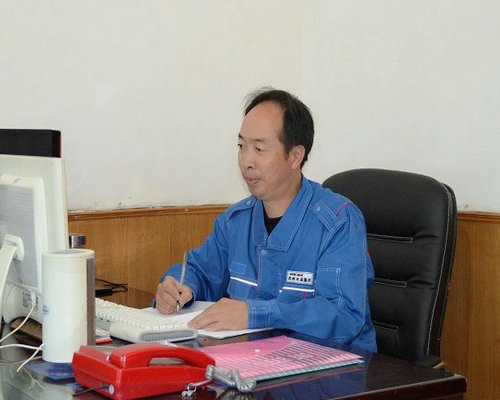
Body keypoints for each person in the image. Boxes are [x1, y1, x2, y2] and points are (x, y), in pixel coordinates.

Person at [155, 88, 377, 351]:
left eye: (259, 149)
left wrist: (256, 313)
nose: (246, 161)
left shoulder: (338, 222)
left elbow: (343, 316)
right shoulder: (235, 222)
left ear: (295, 156)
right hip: (253, 362)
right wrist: (177, 287)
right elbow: (199, 270)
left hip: (334, 369)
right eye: (241, 147)